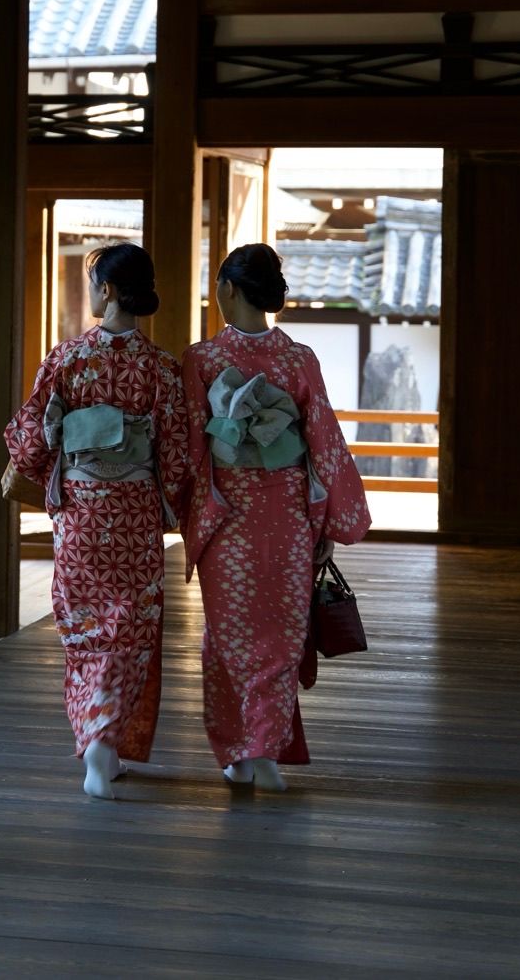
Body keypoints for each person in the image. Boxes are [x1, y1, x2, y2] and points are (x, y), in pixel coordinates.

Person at [181, 243, 370, 793]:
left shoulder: (203, 360)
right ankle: (264, 750)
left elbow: (193, 449)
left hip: (227, 521)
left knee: (228, 636)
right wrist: (332, 521)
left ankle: (241, 753)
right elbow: (324, 443)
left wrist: (176, 507)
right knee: (280, 636)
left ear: (229, 290)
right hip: (287, 515)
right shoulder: (298, 359)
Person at [5, 244, 191, 800]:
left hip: (82, 514)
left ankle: (96, 742)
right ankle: (104, 748)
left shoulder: (66, 359)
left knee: (85, 625)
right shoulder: (161, 369)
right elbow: (177, 455)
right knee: (129, 626)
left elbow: (30, 435)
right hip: (133, 514)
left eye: (92, 282)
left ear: (107, 290)